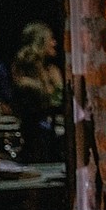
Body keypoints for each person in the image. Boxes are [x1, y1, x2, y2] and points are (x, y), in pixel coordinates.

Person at [11, 22, 64, 162]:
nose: (54, 43)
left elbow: (59, 100)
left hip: (54, 132)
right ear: (40, 42)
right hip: (34, 134)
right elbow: (47, 99)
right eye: (51, 39)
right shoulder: (23, 70)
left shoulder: (52, 70)